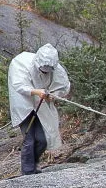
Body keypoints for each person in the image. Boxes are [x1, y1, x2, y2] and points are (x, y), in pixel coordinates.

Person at [7, 43, 71, 175]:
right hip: (23, 103)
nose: (44, 72)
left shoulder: (56, 69)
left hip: (41, 104)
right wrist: (36, 91)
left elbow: (63, 87)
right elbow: (19, 85)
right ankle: (28, 172)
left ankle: (34, 163)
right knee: (29, 139)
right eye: (42, 70)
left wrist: (54, 96)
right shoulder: (21, 63)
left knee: (42, 140)